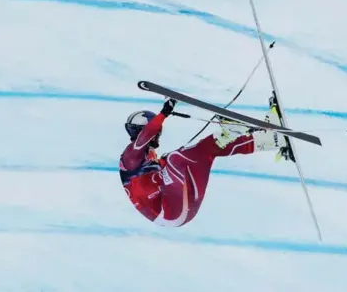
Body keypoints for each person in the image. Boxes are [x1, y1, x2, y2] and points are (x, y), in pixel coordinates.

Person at [119, 97, 285, 227]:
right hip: (169, 211)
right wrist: (165, 112)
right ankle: (226, 134)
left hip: (182, 206)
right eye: (158, 131)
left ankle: (271, 140)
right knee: (174, 158)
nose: (158, 135)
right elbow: (145, 137)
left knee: (207, 150)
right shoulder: (130, 156)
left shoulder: (148, 160)